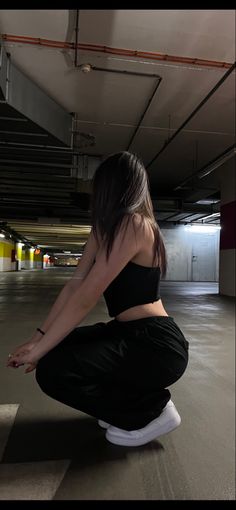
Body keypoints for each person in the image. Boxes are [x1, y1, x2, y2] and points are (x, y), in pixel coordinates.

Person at [7, 151, 189, 447]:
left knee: (54, 369)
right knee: (55, 351)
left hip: (154, 345)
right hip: (127, 333)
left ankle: (152, 411)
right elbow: (74, 287)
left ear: (109, 188)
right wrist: (37, 339)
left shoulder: (134, 224)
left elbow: (87, 297)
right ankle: (129, 407)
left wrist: (40, 350)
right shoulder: (104, 230)